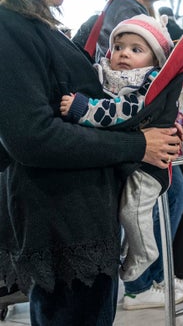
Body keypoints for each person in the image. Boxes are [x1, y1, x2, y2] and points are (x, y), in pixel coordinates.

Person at [0, 0, 182, 326]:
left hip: (76, 219)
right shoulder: (10, 26)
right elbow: (32, 137)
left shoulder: (31, 23)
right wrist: (139, 145)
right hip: (62, 225)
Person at [99, 0, 183, 310]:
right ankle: (142, 282)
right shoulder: (126, 12)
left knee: (168, 195)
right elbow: (124, 80)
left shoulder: (130, 11)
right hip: (135, 131)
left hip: (141, 127)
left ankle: (153, 276)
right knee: (163, 196)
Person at [60, 15, 176, 285]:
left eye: (137, 50)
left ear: (155, 59)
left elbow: (124, 112)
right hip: (127, 155)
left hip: (147, 166)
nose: (124, 54)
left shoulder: (147, 83)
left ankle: (145, 252)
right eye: (120, 46)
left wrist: (84, 109)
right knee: (123, 211)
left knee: (132, 210)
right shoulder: (107, 74)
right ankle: (131, 249)